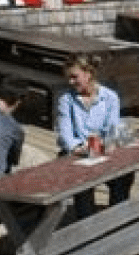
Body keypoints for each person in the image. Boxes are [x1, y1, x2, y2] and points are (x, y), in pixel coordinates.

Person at [57, 53, 133, 219]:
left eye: (74, 77)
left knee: (125, 174)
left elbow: (113, 130)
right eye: (68, 78)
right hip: (76, 154)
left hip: (102, 150)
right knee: (82, 180)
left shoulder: (110, 97)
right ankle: (87, 222)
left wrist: (97, 146)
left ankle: (116, 219)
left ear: (88, 73)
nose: (70, 82)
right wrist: (78, 148)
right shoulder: (66, 100)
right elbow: (65, 135)